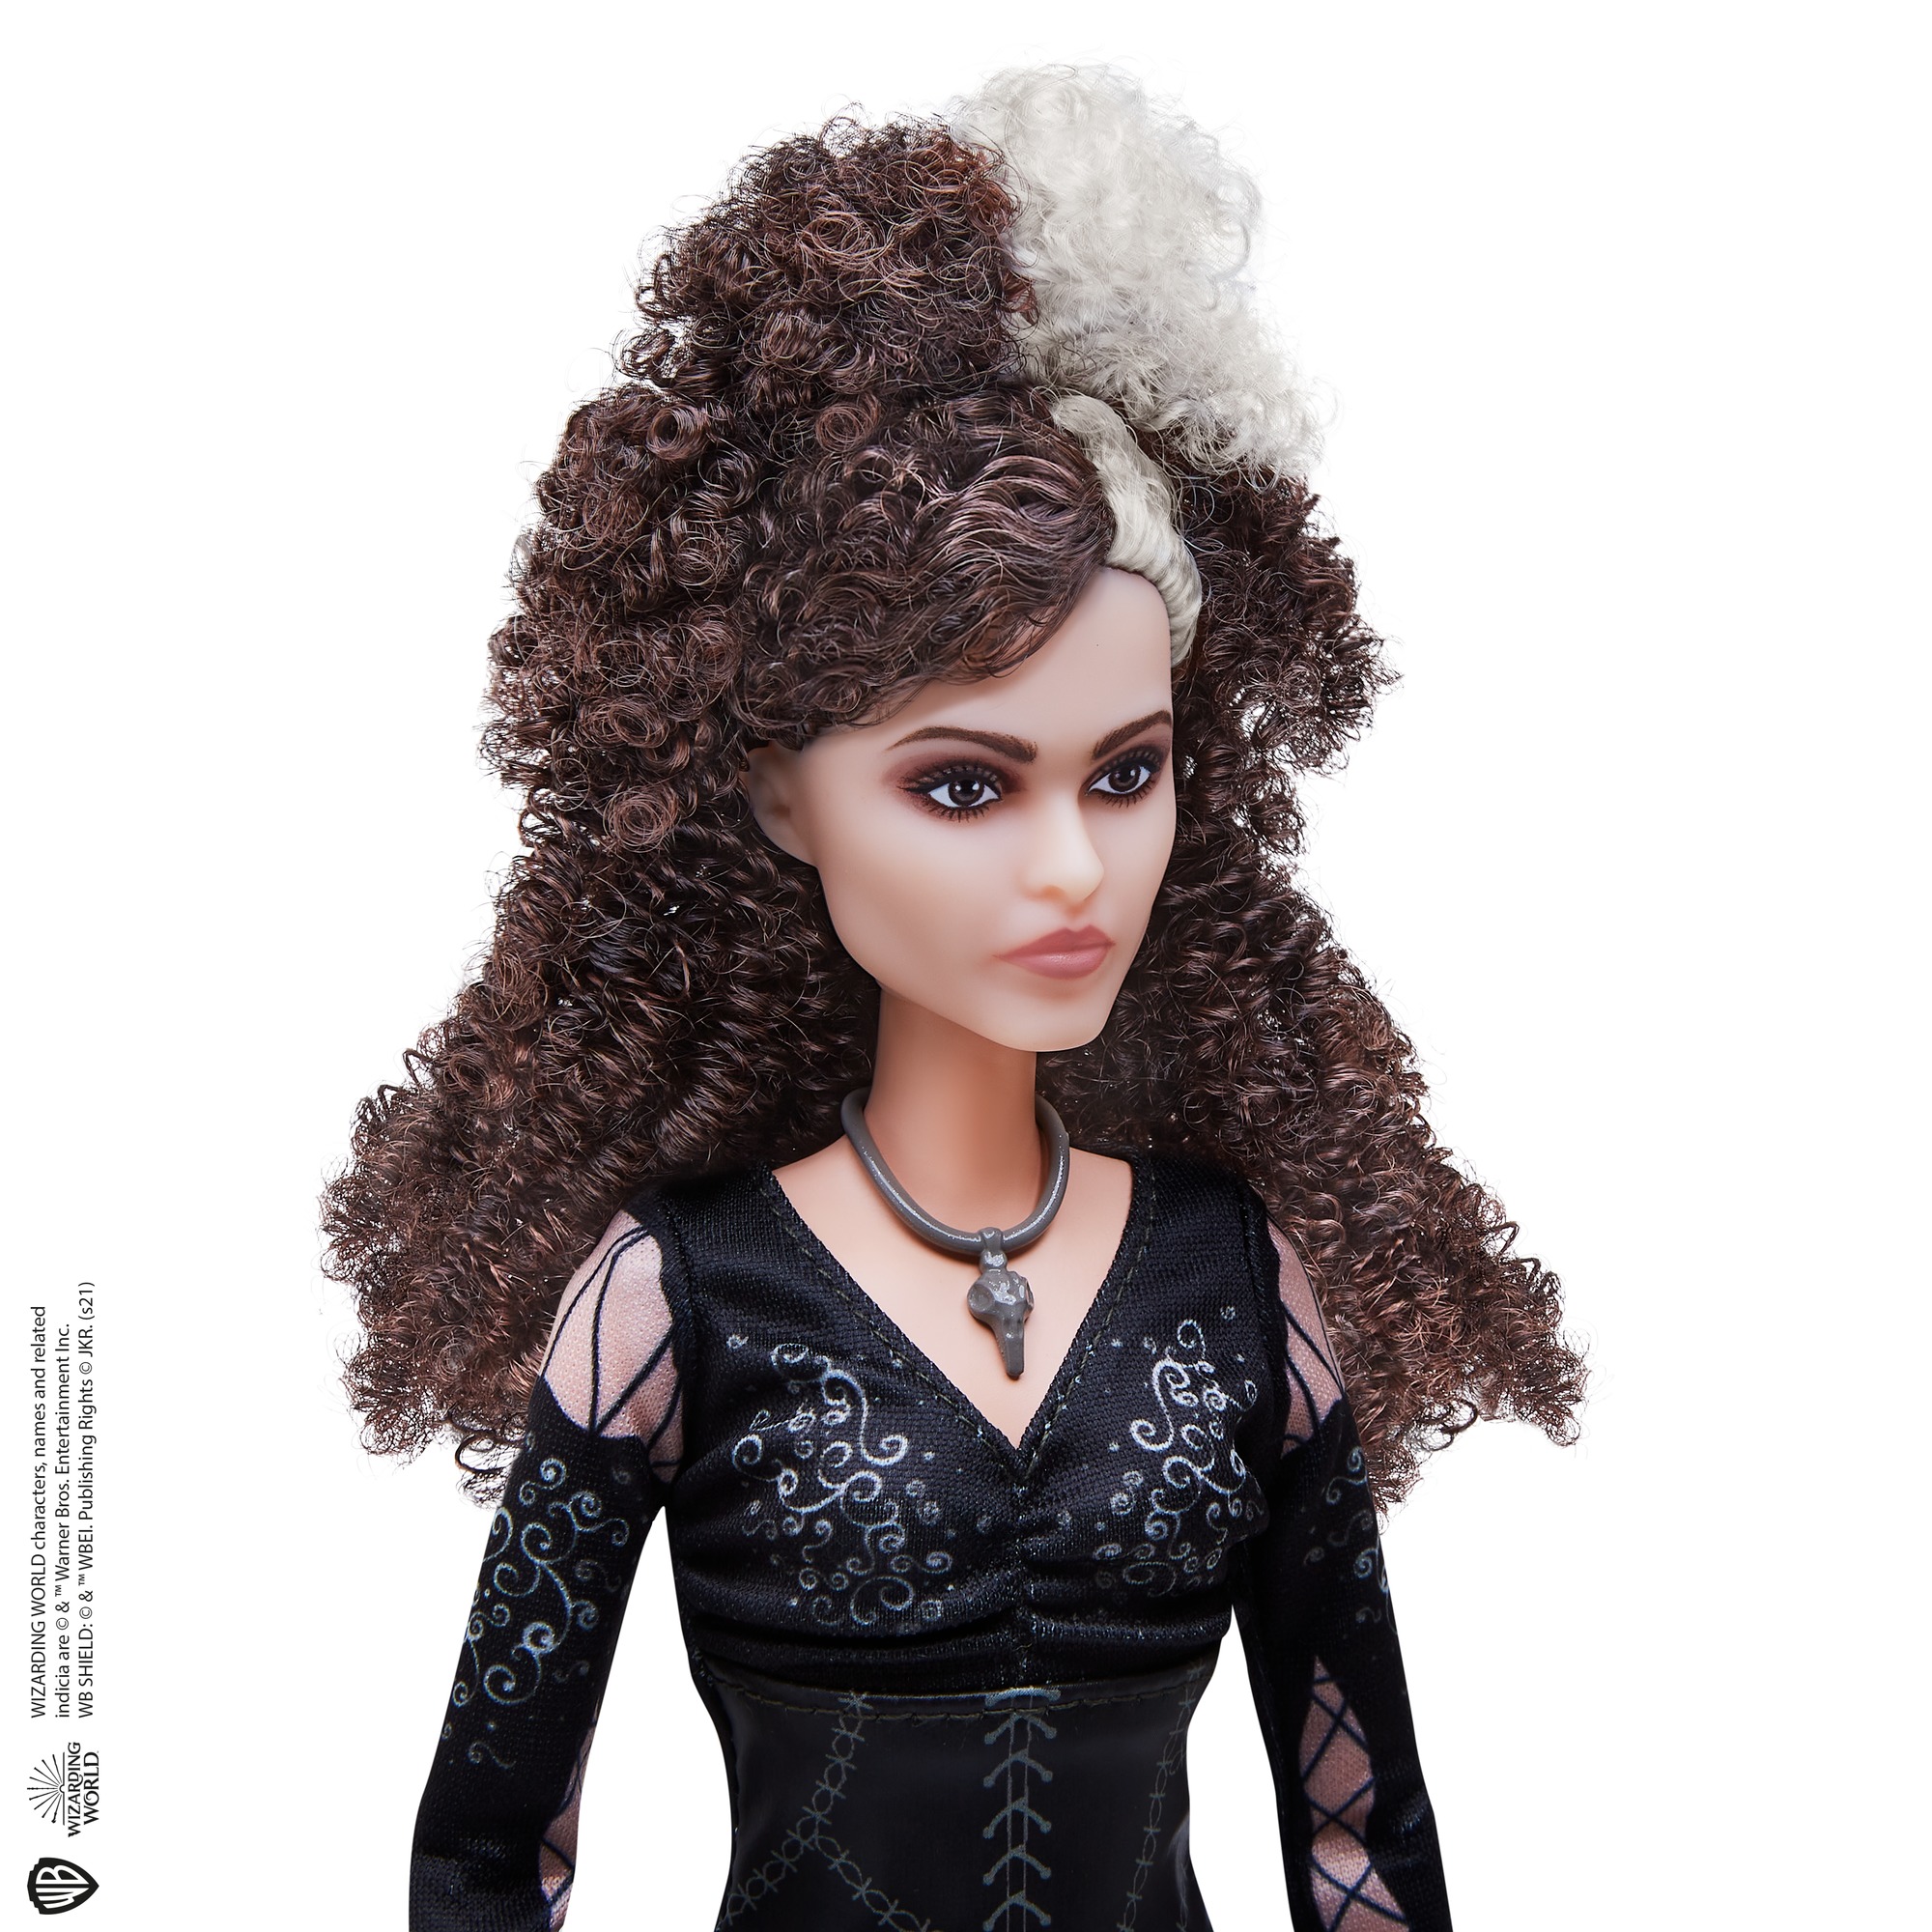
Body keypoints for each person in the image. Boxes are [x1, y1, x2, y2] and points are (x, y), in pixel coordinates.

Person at [325, 66, 1584, 1932]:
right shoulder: (671, 1295)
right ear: (777, 794)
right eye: (966, 786)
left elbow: (1360, 1841)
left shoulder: (1244, 1280)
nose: (1073, 870)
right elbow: (492, 1855)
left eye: (1128, 773)